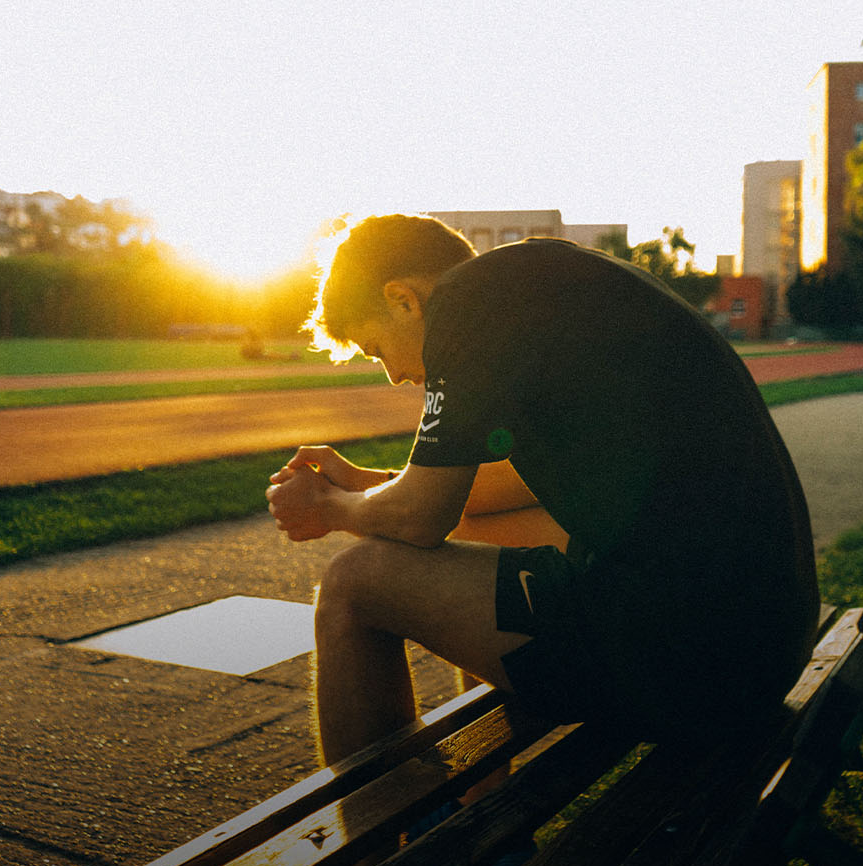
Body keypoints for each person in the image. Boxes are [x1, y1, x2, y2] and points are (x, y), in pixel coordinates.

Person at [266, 214, 819, 768]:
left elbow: (420, 518)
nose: (392, 374)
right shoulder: (544, 281)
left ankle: (380, 848)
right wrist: (367, 485)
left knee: (352, 584)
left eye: (374, 347)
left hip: (693, 663)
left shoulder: (464, 304)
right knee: (481, 532)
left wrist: (331, 508)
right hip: (765, 636)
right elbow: (490, 493)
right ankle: (486, 819)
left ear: (403, 299)